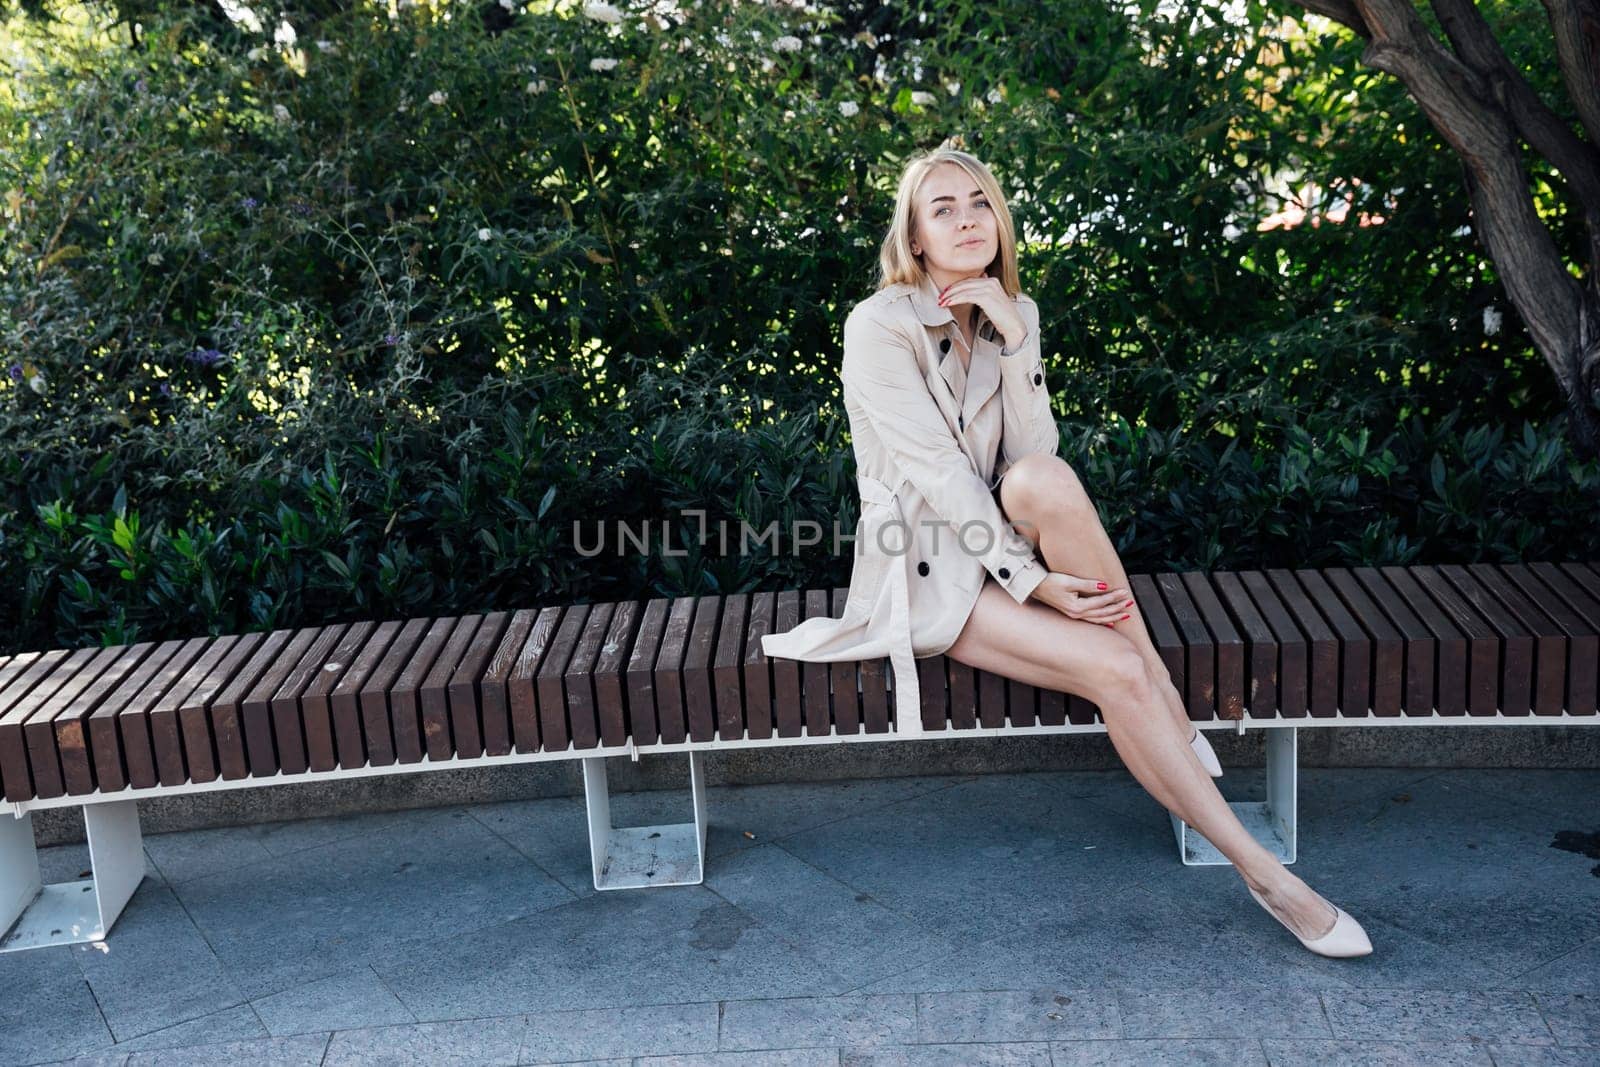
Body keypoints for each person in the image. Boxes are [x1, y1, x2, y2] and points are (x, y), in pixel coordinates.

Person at [761, 143, 1371, 958]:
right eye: (942, 208)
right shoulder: (877, 327)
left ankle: (1151, 677)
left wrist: (1014, 348)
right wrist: (1035, 581)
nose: (966, 218)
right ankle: (1269, 877)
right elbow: (940, 476)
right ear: (914, 239)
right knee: (1117, 671)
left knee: (1045, 477)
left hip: (1010, 530)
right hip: (932, 570)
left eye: (978, 202)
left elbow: (1035, 461)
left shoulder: (1017, 311)